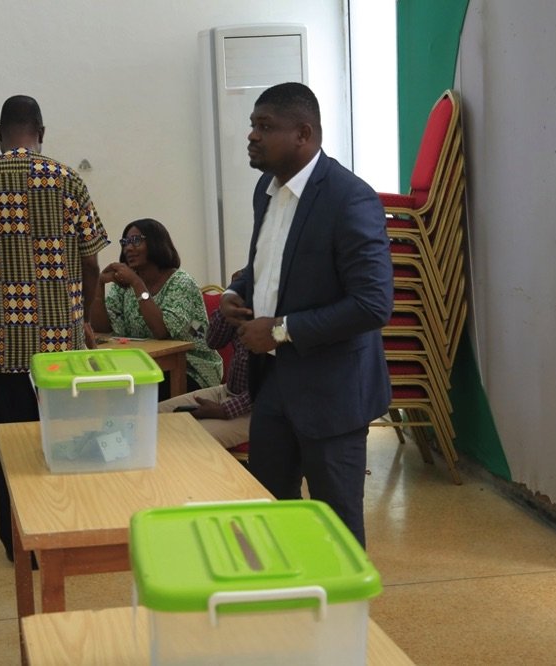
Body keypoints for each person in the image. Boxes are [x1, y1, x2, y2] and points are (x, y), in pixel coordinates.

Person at [220, 82, 393, 547]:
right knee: (272, 513)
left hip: (332, 391)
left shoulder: (349, 198)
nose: (252, 135)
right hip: (274, 384)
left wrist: (279, 331)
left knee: (335, 527)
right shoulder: (265, 191)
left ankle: (340, 598)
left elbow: (373, 303)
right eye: (252, 125)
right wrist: (237, 291)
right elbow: (271, 265)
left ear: (303, 134)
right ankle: (288, 591)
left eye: (264, 126)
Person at [0, 94, 109, 562]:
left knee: (11, 445)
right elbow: (91, 262)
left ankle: (19, 545)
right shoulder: (67, 180)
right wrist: (80, 312)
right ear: (42, 131)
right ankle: (63, 536)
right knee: (66, 441)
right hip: (61, 343)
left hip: (2, 344)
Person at [90, 218, 222, 398]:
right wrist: (99, 285)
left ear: (155, 243)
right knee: (101, 388)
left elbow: (161, 330)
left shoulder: (181, 282)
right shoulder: (125, 285)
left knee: (133, 396)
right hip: (144, 365)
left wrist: (137, 283)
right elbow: (102, 328)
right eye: (125, 242)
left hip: (191, 368)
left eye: (136, 241)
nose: (128, 248)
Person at [157, 306, 250, 449]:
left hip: (257, 408)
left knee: (180, 438)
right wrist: (227, 305)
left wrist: (225, 410)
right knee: (150, 417)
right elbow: (212, 341)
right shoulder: (243, 301)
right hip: (227, 391)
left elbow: (275, 387)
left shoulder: (279, 322)